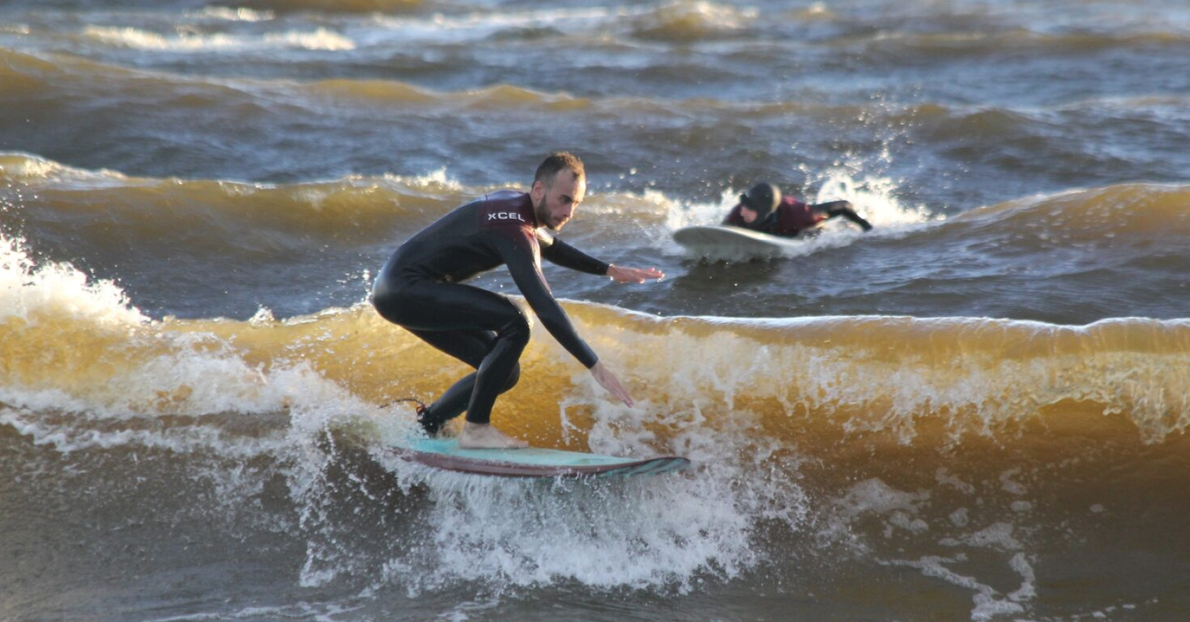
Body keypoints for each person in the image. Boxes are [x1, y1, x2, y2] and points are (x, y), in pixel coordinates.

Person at [371, 152, 664, 450]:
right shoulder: (513, 229)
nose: (569, 212)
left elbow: (552, 246)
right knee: (517, 320)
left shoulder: (514, 207)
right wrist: (595, 366)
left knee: (503, 372)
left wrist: (609, 270)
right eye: (564, 200)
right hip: (406, 289)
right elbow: (544, 306)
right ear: (539, 190)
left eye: (576, 203)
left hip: (399, 291)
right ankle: (476, 429)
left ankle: (430, 422)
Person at [723, 181, 872, 238]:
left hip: (795, 222)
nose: (742, 211)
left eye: (749, 208)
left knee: (814, 231)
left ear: (763, 212)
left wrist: (866, 227)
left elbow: (843, 206)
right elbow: (721, 232)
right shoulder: (739, 212)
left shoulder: (799, 216)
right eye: (743, 205)